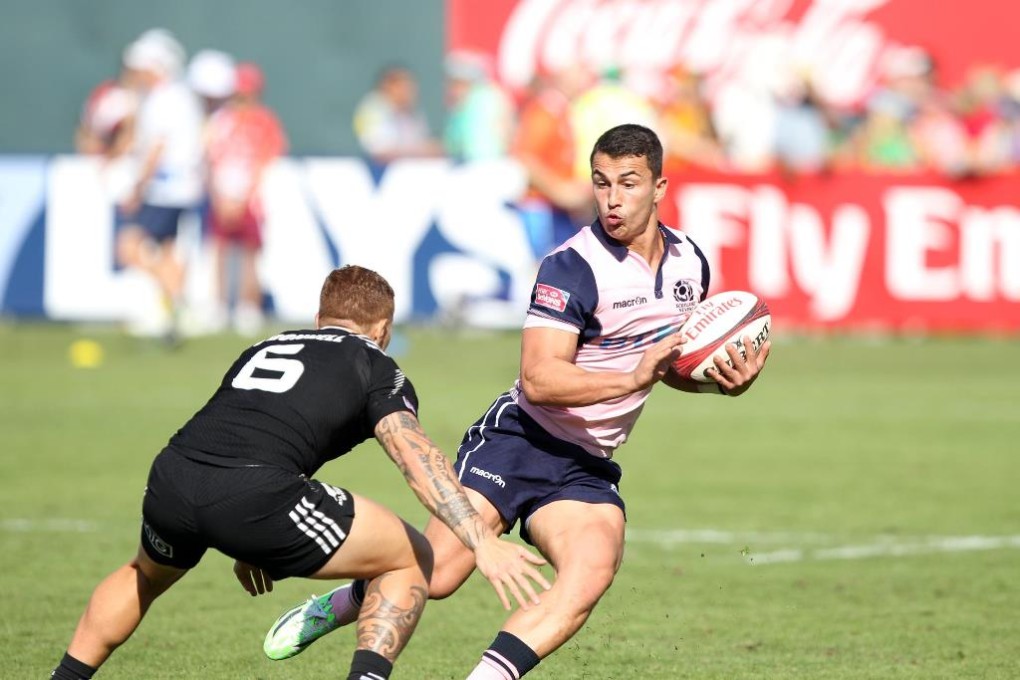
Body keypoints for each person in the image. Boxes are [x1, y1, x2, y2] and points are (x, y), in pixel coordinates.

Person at [263, 125, 771, 678]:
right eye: (601, 184)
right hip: (519, 440)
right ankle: (334, 607)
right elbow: (540, 379)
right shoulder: (572, 267)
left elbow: (664, 363)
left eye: (628, 183)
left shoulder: (690, 265)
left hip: (586, 462)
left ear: (659, 187)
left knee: (590, 571)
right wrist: (633, 377)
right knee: (435, 577)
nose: (612, 199)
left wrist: (716, 380)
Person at [50, 265, 550, 680]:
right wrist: (480, 541)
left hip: (174, 477)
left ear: (319, 318)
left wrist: (253, 536)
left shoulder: (266, 345)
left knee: (143, 575)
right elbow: (415, 456)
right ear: (383, 330)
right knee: (411, 557)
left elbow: (249, 428)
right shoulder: (377, 365)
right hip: (253, 493)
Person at [115, 29, 205, 341]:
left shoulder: (164, 98)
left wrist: (137, 186)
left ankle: (181, 307)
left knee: (128, 247)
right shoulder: (178, 96)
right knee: (166, 253)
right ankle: (173, 311)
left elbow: (157, 147)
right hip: (180, 189)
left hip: (165, 189)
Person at [204, 61, 288, 335]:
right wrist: (219, 195)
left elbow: (268, 160)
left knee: (250, 254)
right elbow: (211, 158)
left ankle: (247, 307)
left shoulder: (264, 121)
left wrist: (246, 196)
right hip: (223, 194)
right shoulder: (221, 120)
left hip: (252, 199)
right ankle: (218, 306)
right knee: (220, 250)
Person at [352, 65, 443, 166]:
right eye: (405, 85)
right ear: (388, 86)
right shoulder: (372, 109)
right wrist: (422, 150)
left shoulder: (412, 112)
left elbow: (423, 143)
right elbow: (380, 152)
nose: (411, 91)